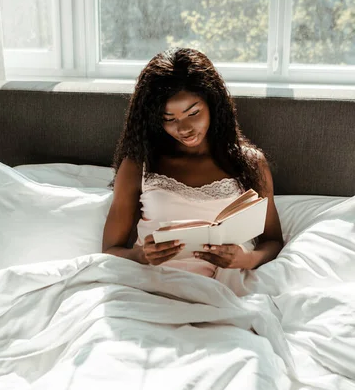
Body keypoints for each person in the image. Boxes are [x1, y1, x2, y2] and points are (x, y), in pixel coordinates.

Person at [102, 48, 283, 279]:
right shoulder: (138, 165)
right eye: (169, 119)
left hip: (224, 287)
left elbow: (273, 241)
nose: (184, 128)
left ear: (213, 104)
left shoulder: (250, 163)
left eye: (193, 113)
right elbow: (109, 250)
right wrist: (141, 255)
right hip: (151, 284)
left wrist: (247, 259)